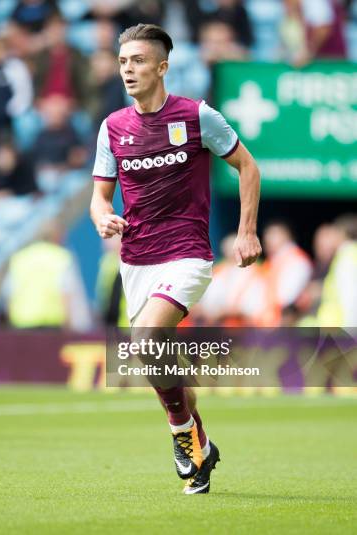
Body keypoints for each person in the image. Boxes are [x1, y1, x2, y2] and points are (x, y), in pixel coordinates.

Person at [89, 24, 261, 494]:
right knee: (158, 363)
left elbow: (248, 166)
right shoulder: (113, 128)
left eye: (139, 61)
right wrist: (103, 217)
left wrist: (246, 231)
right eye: (124, 62)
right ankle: (202, 447)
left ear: (162, 67)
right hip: (136, 259)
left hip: (186, 253)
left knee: (146, 341)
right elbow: (99, 197)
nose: (129, 70)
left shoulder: (198, 116)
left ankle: (182, 435)